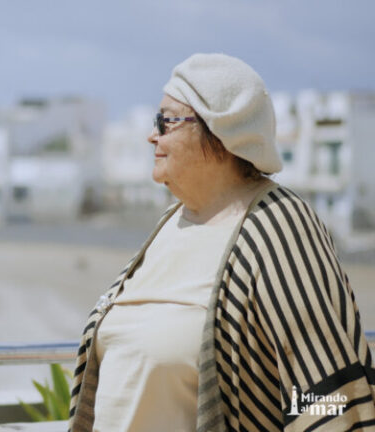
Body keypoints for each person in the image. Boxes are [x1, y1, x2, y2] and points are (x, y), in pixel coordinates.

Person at [68, 53, 375, 432]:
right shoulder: (170, 223)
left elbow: (329, 391)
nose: (152, 135)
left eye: (165, 121)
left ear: (218, 130)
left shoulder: (277, 225)